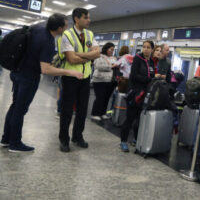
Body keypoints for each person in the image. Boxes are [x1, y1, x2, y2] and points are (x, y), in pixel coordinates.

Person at [0, 14, 83, 152]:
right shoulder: (48, 42)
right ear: (59, 28)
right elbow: (46, 69)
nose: (67, 28)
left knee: (15, 107)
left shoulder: (37, 28)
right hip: (28, 77)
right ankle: (15, 143)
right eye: (66, 25)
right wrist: (70, 72)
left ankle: (6, 139)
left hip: (17, 72)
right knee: (20, 110)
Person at [59, 8, 100, 152]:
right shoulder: (67, 35)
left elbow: (97, 53)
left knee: (82, 109)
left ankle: (78, 136)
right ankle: (64, 139)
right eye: (86, 17)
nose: (89, 20)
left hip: (85, 77)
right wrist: (88, 55)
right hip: (70, 77)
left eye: (89, 17)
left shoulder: (90, 34)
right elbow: (71, 58)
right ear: (76, 19)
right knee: (67, 110)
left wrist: (79, 55)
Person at [120, 40, 155, 152]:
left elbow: (152, 74)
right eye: (144, 47)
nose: (145, 49)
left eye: (148, 47)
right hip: (135, 94)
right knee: (130, 118)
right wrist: (150, 79)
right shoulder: (137, 59)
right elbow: (134, 76)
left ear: (152, 49)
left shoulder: (151, 62)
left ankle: (136, 139)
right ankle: (123, 141)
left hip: (145, 94)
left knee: (140, 120)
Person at [90, 42, 118, 121]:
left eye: (113, 50)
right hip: (99, 80)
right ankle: (94, 114)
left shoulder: (113, 58)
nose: (112, 51)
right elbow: (99, 66)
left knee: (106, 98)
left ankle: (102, 113)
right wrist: (112, 66)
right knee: (100, 97)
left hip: (110, 81)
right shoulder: (99, 56)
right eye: (111, 49)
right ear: (106, 49)